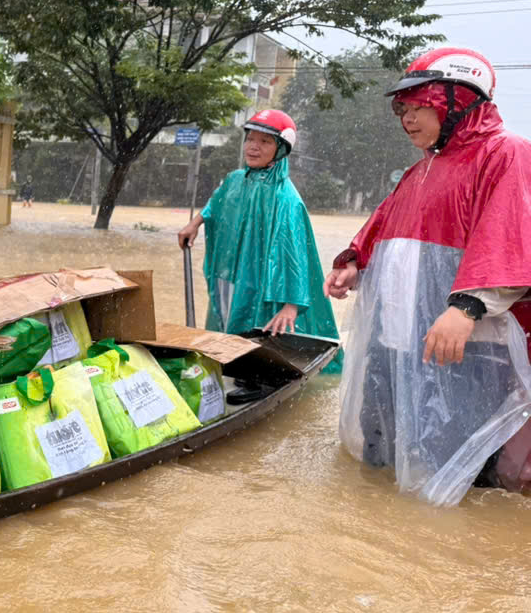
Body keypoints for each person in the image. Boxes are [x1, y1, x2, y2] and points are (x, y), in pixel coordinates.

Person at [323, 46, 531, 503]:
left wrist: (467, 307)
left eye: (421, 105)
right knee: (381, 465)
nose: (408, 118)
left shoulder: (505, 153)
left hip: (466, 350)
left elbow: (510, 236)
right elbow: (383, 230)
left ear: (458, 100)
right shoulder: (420, 171)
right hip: (396, 345)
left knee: (461, 479)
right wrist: (355, 264)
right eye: (404, 108)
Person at [176, 109, 342, 371]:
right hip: (228, 274)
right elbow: (217, 204)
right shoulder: (235, 180)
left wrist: (291, 305)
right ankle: (222, 369)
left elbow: (294, 254)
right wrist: (195, 223)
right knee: (225, 328)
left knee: (253, 337)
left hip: (261, 282)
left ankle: (246, 374)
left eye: (264, 142)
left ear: (281, 149)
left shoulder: (285, 198)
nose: (253, 147)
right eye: (251, 139)